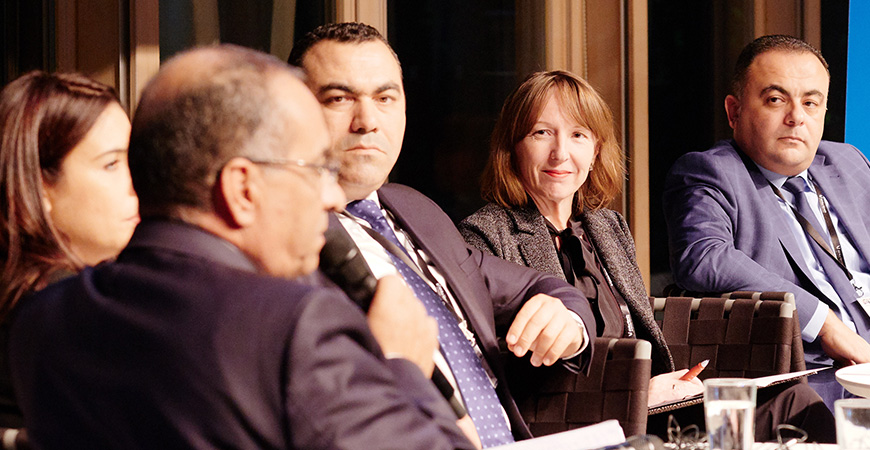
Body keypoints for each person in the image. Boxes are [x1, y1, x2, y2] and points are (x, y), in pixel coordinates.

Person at [8, 45, 476, 449]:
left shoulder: (44, 321)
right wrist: (401, 368)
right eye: (317, 169)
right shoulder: (298, 328)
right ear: (243, 189)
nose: (333, 196)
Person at [459, 69, 834, 442]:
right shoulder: (485, 235)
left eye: (578, 135)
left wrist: (661, 388)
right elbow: (500, 380)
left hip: (652, 410)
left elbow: (636, 331)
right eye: (542, 133)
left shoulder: (606, 227)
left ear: (595, 151)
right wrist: (637, 395)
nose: (561, 152)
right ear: (513, 146)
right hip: (576, 429)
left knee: (795, 402)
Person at [289, 23, 596, 446]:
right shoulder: (283, 242)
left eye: (384, 98)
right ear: (293, 113)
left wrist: (568, 319)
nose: (367, 122)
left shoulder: (415, 210)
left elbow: (543, 286)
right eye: (339, 99)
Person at [664, 34, 870, 411]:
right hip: (809, 381)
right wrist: (825, 324)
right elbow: (704, 257)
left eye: (811, 102)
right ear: (734, 111)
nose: (797, 117)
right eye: (776, 100)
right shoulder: (709, 172)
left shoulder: (848, 162)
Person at [0, 71, 138, 436]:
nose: (136, 181)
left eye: (133, 160)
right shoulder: (64, 309)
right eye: (111, 164)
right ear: (40, 187)